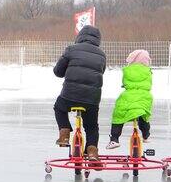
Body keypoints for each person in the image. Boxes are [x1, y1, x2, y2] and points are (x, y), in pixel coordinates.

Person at [53, 25, 107, 163]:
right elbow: (101, 72)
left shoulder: (71, 49)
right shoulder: (101, 55)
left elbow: (58, 71)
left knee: (59, 108)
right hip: (91, 99)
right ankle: (92, 151)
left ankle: (64, 133)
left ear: (80, 36)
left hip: (69, 96)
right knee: (91, 126)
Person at [107, 49, 153, 150]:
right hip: (144, 96)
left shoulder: (127, 70)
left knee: (118, 115)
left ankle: (114, 139)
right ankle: (146, 135)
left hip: (129, 95)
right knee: (143, 114)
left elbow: (125, 83)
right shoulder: (148, 71)